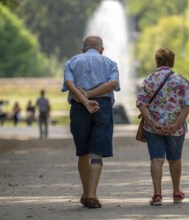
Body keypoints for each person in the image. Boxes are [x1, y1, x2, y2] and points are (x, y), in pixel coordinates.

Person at [61, 35, 120, 209]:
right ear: (102, 49)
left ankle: (86, 193)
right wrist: (90, 96)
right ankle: (92, 195)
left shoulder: (71, 62)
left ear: (83, 49)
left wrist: (84, 99)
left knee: (83, 152)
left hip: (79, 107)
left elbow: (69, 84)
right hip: (102, 107)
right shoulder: (110, 63)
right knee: (97, 152)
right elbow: (113, 83)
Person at [136, 48, 189, 206]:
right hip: (176, 128)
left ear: (157, 61)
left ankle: (157, 195)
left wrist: (153, 123)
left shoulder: (148, 80)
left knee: (157, 159)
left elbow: (141, 103)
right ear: (172, 62)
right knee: (175, 159)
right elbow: (188, 106)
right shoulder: (181, 80)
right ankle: (176, 192)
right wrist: (176, 125)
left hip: (153, 128)